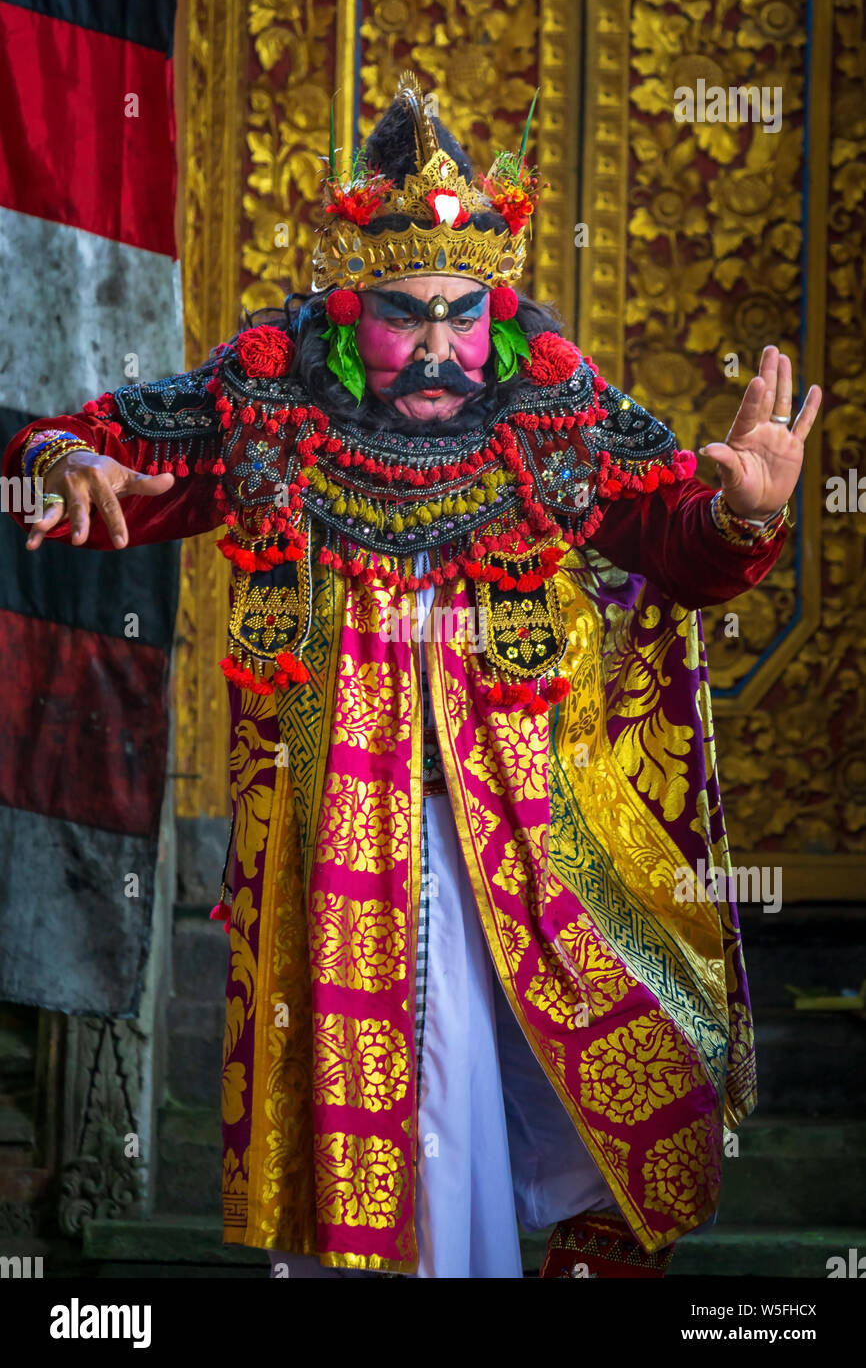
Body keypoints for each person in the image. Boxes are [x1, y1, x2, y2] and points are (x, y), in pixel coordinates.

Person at [6, 73, 820, 1279]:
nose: (437, 346)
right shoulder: (269, 400)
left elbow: (673, 548)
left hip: (533, 842)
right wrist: (60, 460)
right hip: (339, 845)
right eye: (402, 313)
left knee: (587, 1079)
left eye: (461, 311)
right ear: (347, 307)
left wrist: (741, 519)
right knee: (396, 1143)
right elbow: (88, 452)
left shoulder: (553, 412)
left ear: (495, 304)